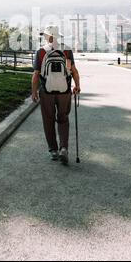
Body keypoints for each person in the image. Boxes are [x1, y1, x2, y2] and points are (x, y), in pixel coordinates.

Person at [31, 25, 81, 164]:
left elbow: (36, 75)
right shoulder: (66, 51)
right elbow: (73, 71)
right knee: (63, 118)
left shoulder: (41, 52)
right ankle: (63, 148)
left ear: (47, 36)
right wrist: (77, 86)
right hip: (64, 91)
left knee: (48, 120)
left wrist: (34, 92)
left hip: (46, 92)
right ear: (58, 36)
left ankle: (53, 150)